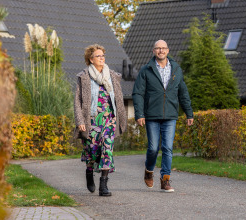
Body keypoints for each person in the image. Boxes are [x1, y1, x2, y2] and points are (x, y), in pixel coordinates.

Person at [132, 40, 194, 193]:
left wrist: (188, 112)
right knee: (153, 148)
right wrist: (139, 113)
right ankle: (149, 170)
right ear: (153, 51)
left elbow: (183, 92)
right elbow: (138, 93)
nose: (161, 50)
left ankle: (165, 179)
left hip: (171, 115)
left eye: (163, 48)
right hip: (152, 115)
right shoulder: (146, 70)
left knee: (168, 148)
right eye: (158, 48)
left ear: (168, 50)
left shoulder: (176, 69)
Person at [74, 44, 126, 196]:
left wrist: (119, 117)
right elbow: (77, 101)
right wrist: (80, 121)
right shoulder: (84, 76)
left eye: (103, 55)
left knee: (107, 149)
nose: (102, 58)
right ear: (90, 59)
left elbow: (119, 97)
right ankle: (89, 171)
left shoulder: (112, 75)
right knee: (92, 151)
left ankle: (104, 185)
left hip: (109, 119)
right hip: (91, 120)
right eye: (98, 56)